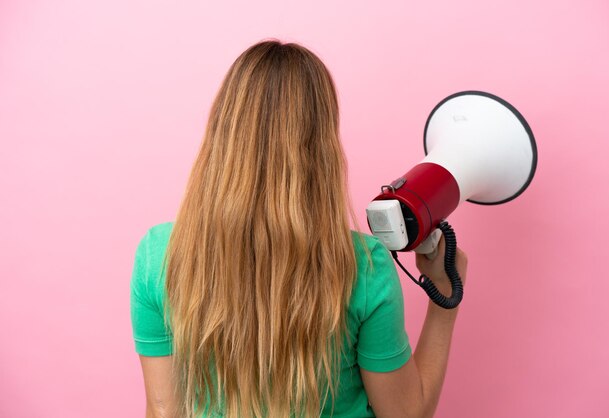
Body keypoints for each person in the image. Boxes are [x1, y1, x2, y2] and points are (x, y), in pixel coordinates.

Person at [130, 39, 468, 418]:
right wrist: (444, 295)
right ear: (322, 148)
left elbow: (164, 411)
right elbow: (406, 414)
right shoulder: (365, 267)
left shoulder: (157, 255)